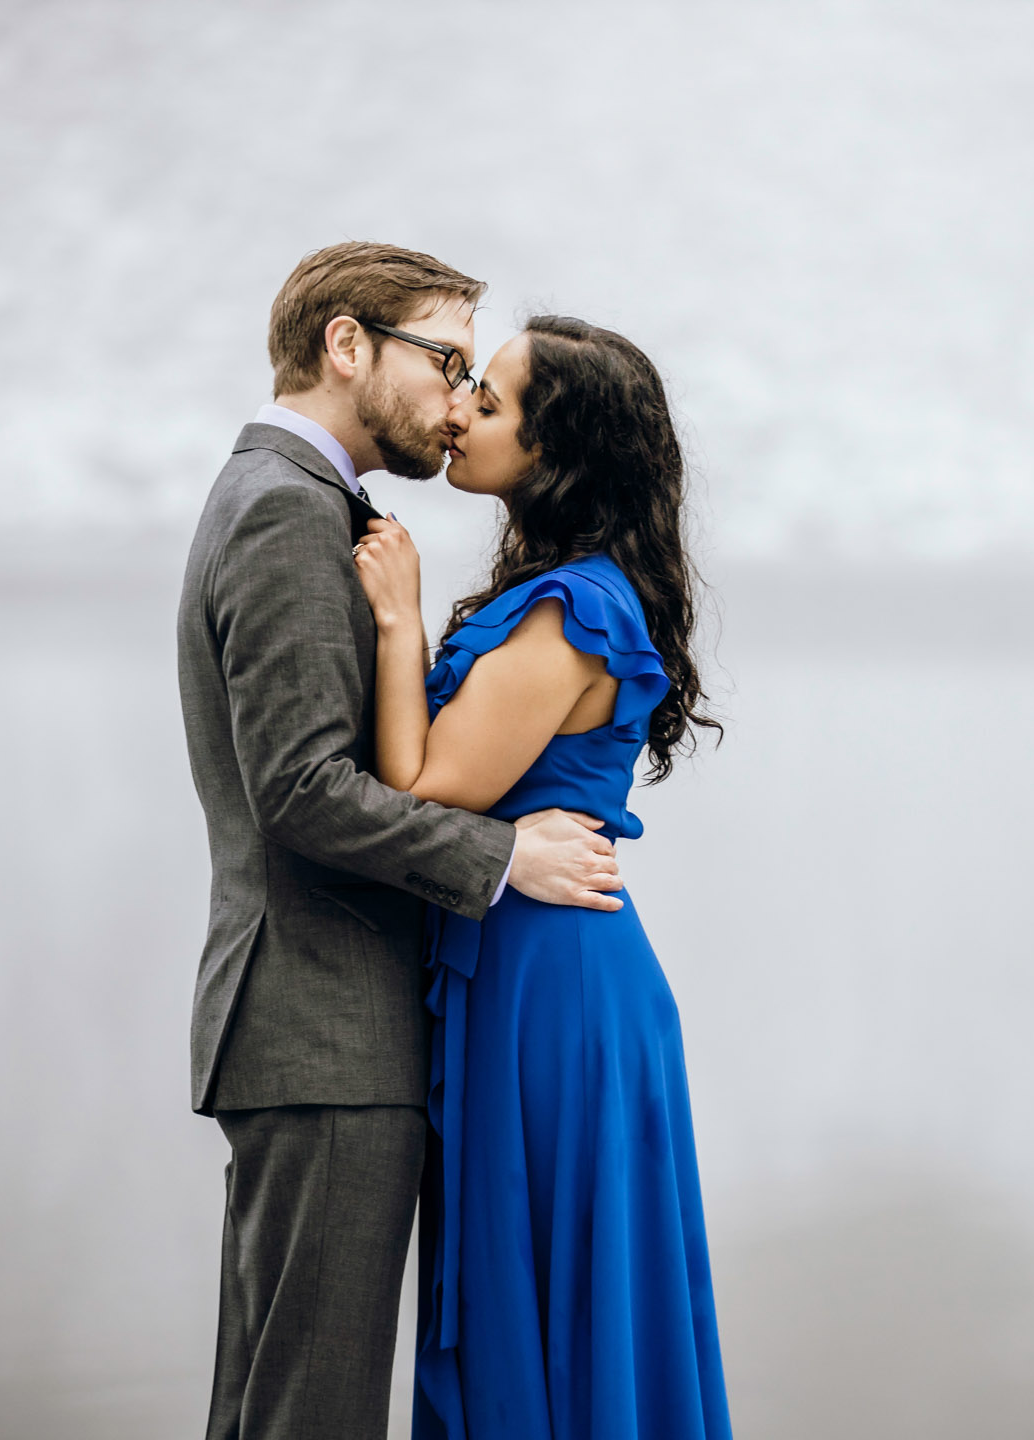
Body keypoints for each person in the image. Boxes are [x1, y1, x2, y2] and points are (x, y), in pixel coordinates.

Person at [176, 243, 627, 1440]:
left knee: (275, 1404)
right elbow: (304, 791)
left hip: (321, 1032)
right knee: (308, 1413)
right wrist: (503, 859)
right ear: (347, 346)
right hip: (322, 1032)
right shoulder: (284, 511)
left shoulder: (296, 500)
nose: (455, 398)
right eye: (445, 360)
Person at [351, 314, 732, 1439]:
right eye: (465, 382)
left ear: (560, 452)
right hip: (525, 962)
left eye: (492, 400)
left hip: (551, 988)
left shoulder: (577, 610)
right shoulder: (562, 589)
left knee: (552, 1296)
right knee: (538, 1290)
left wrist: (393, 622)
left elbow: (425, 785)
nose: (458, 409)